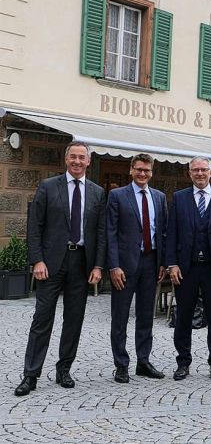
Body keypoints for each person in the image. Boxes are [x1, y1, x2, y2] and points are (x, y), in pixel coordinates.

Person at [15, 141, 106, 396]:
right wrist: (37, 260)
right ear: (66, 160)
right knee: (42, 319)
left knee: (74, 320)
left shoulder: (98, 192)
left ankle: (64, 369)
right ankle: (30, 375)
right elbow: (34, 226)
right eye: (73, 157)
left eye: (82, 157)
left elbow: (101, 233)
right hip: (51, 263)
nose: (77, 161)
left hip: (82, 263)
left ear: (88, 161)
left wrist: (98, 265)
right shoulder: (48, 186)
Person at [165, 156, 211, 381]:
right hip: (186, 268)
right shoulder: (179, 198)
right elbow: (171, 232)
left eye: (204, 169)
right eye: (196, 170)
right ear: (189, 173)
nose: (200, 173)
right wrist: (172, 264)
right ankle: (183, 362)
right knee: (183, 317)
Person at [106, 153, 167, 383]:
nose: (142, 173)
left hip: (151, 262)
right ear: (131, 170)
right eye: (139, 169)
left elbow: (163, 232)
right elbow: (110, 232)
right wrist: (114, 265)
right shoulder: (117, 195)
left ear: (152, 172)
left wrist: (163, 262)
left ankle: (143, 361)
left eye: (147, 170)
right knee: (120, 317)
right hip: (124, 265)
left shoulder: (159, 197)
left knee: (146, 316)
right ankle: (121, 364)